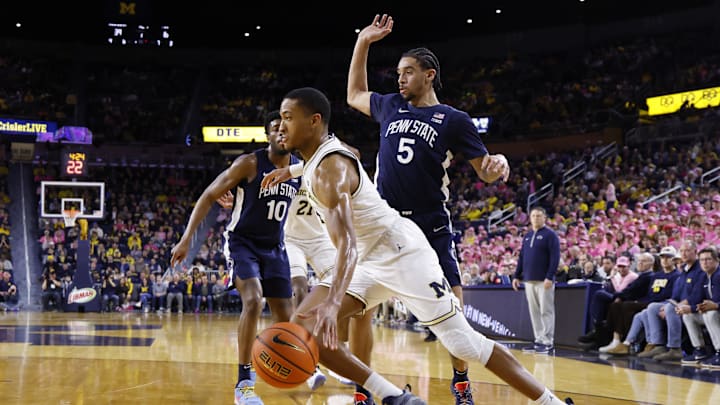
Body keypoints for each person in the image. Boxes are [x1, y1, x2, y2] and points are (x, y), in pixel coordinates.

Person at [270, 86, 572, 405]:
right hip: (367, 262)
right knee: (304, 329)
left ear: (314, 121)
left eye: (289, 118)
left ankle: (550, 402)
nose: (280, 126)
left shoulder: (330, 171)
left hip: (400, 252)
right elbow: (348, 157)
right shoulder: (323, 156)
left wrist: (333, 303)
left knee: (463, 344)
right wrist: (289, 170)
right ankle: (394, 397)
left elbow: (347, 244)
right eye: (279, 118)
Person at [345, 14, 510, 404]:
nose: (399, 79)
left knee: (453, 307)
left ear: (429, 75)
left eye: (407, 72)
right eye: (398, 73)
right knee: (359, 309)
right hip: (383, 226)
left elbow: (484, 172)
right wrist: (363, 43)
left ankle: (461, 381)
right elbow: (354, 94)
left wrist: (497, 163)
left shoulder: (454, 120)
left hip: (430, 225)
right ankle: (363, 390)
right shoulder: (387, 107)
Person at [170, 110, 301, 405]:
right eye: (275, 128)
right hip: (242, 243)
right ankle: (243, 383)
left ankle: (287, 364)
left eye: (286, 127)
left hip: (276, 247)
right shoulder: (250, 163)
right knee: (253, 300)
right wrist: (186, 239)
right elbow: (207, 195)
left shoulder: (299, 168)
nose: (281, 132)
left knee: (285, 317)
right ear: (267, 135)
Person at [512, 207, 560, 354]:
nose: (536, 218)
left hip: (543, 280)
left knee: (546, 310)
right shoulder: (527, 236)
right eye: (533, 216)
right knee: (534, 311)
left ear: (544, 217)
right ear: (530, 218)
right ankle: (539, 340)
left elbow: (555, 257)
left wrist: (550, 276)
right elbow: (522, 257)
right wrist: (516, 276)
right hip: (528, 280)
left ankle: (548, 341)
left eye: (539, 215)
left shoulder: (550, 235)